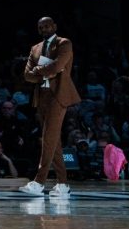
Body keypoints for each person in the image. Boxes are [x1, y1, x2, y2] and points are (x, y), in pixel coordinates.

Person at [18, 17, 81, 198]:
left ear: (54, 26)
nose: (44, 28)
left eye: (47, 25)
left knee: (47, 138)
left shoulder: (64, 43)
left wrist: (38, 70)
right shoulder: (35, 48)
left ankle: (39, 181)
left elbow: (58, 66)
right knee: (53, 141)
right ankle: (62, 184)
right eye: (40, 27)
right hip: (42, 96)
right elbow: (27, 75)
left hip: (58, 95)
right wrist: (46, 71)